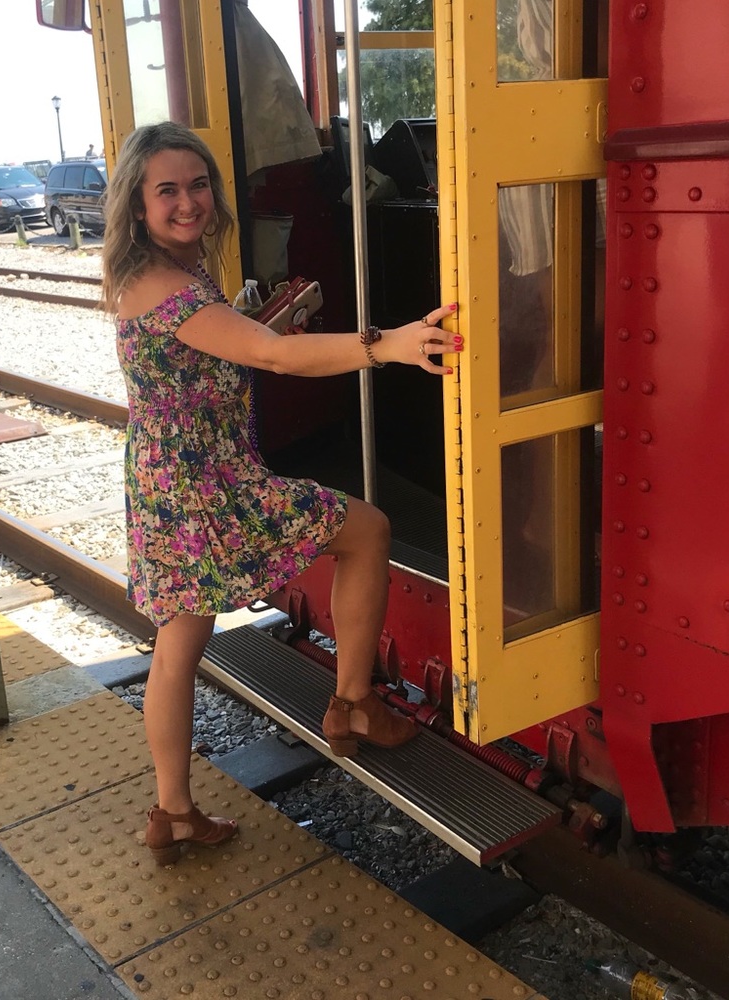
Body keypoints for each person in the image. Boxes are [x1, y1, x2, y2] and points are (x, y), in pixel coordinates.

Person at [100, 121, 462, 866]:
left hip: (170, 480)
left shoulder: (154, 269)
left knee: (179, 643)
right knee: (366, 530)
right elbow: (270, 356)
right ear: (136, 204)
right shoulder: (166, 284)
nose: (189, 201)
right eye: (166, 189)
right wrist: (385, 345)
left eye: (198, 184)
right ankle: (354, 703)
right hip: (208, 484)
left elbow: (228, 345)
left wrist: (259, 324)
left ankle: (171, 812)